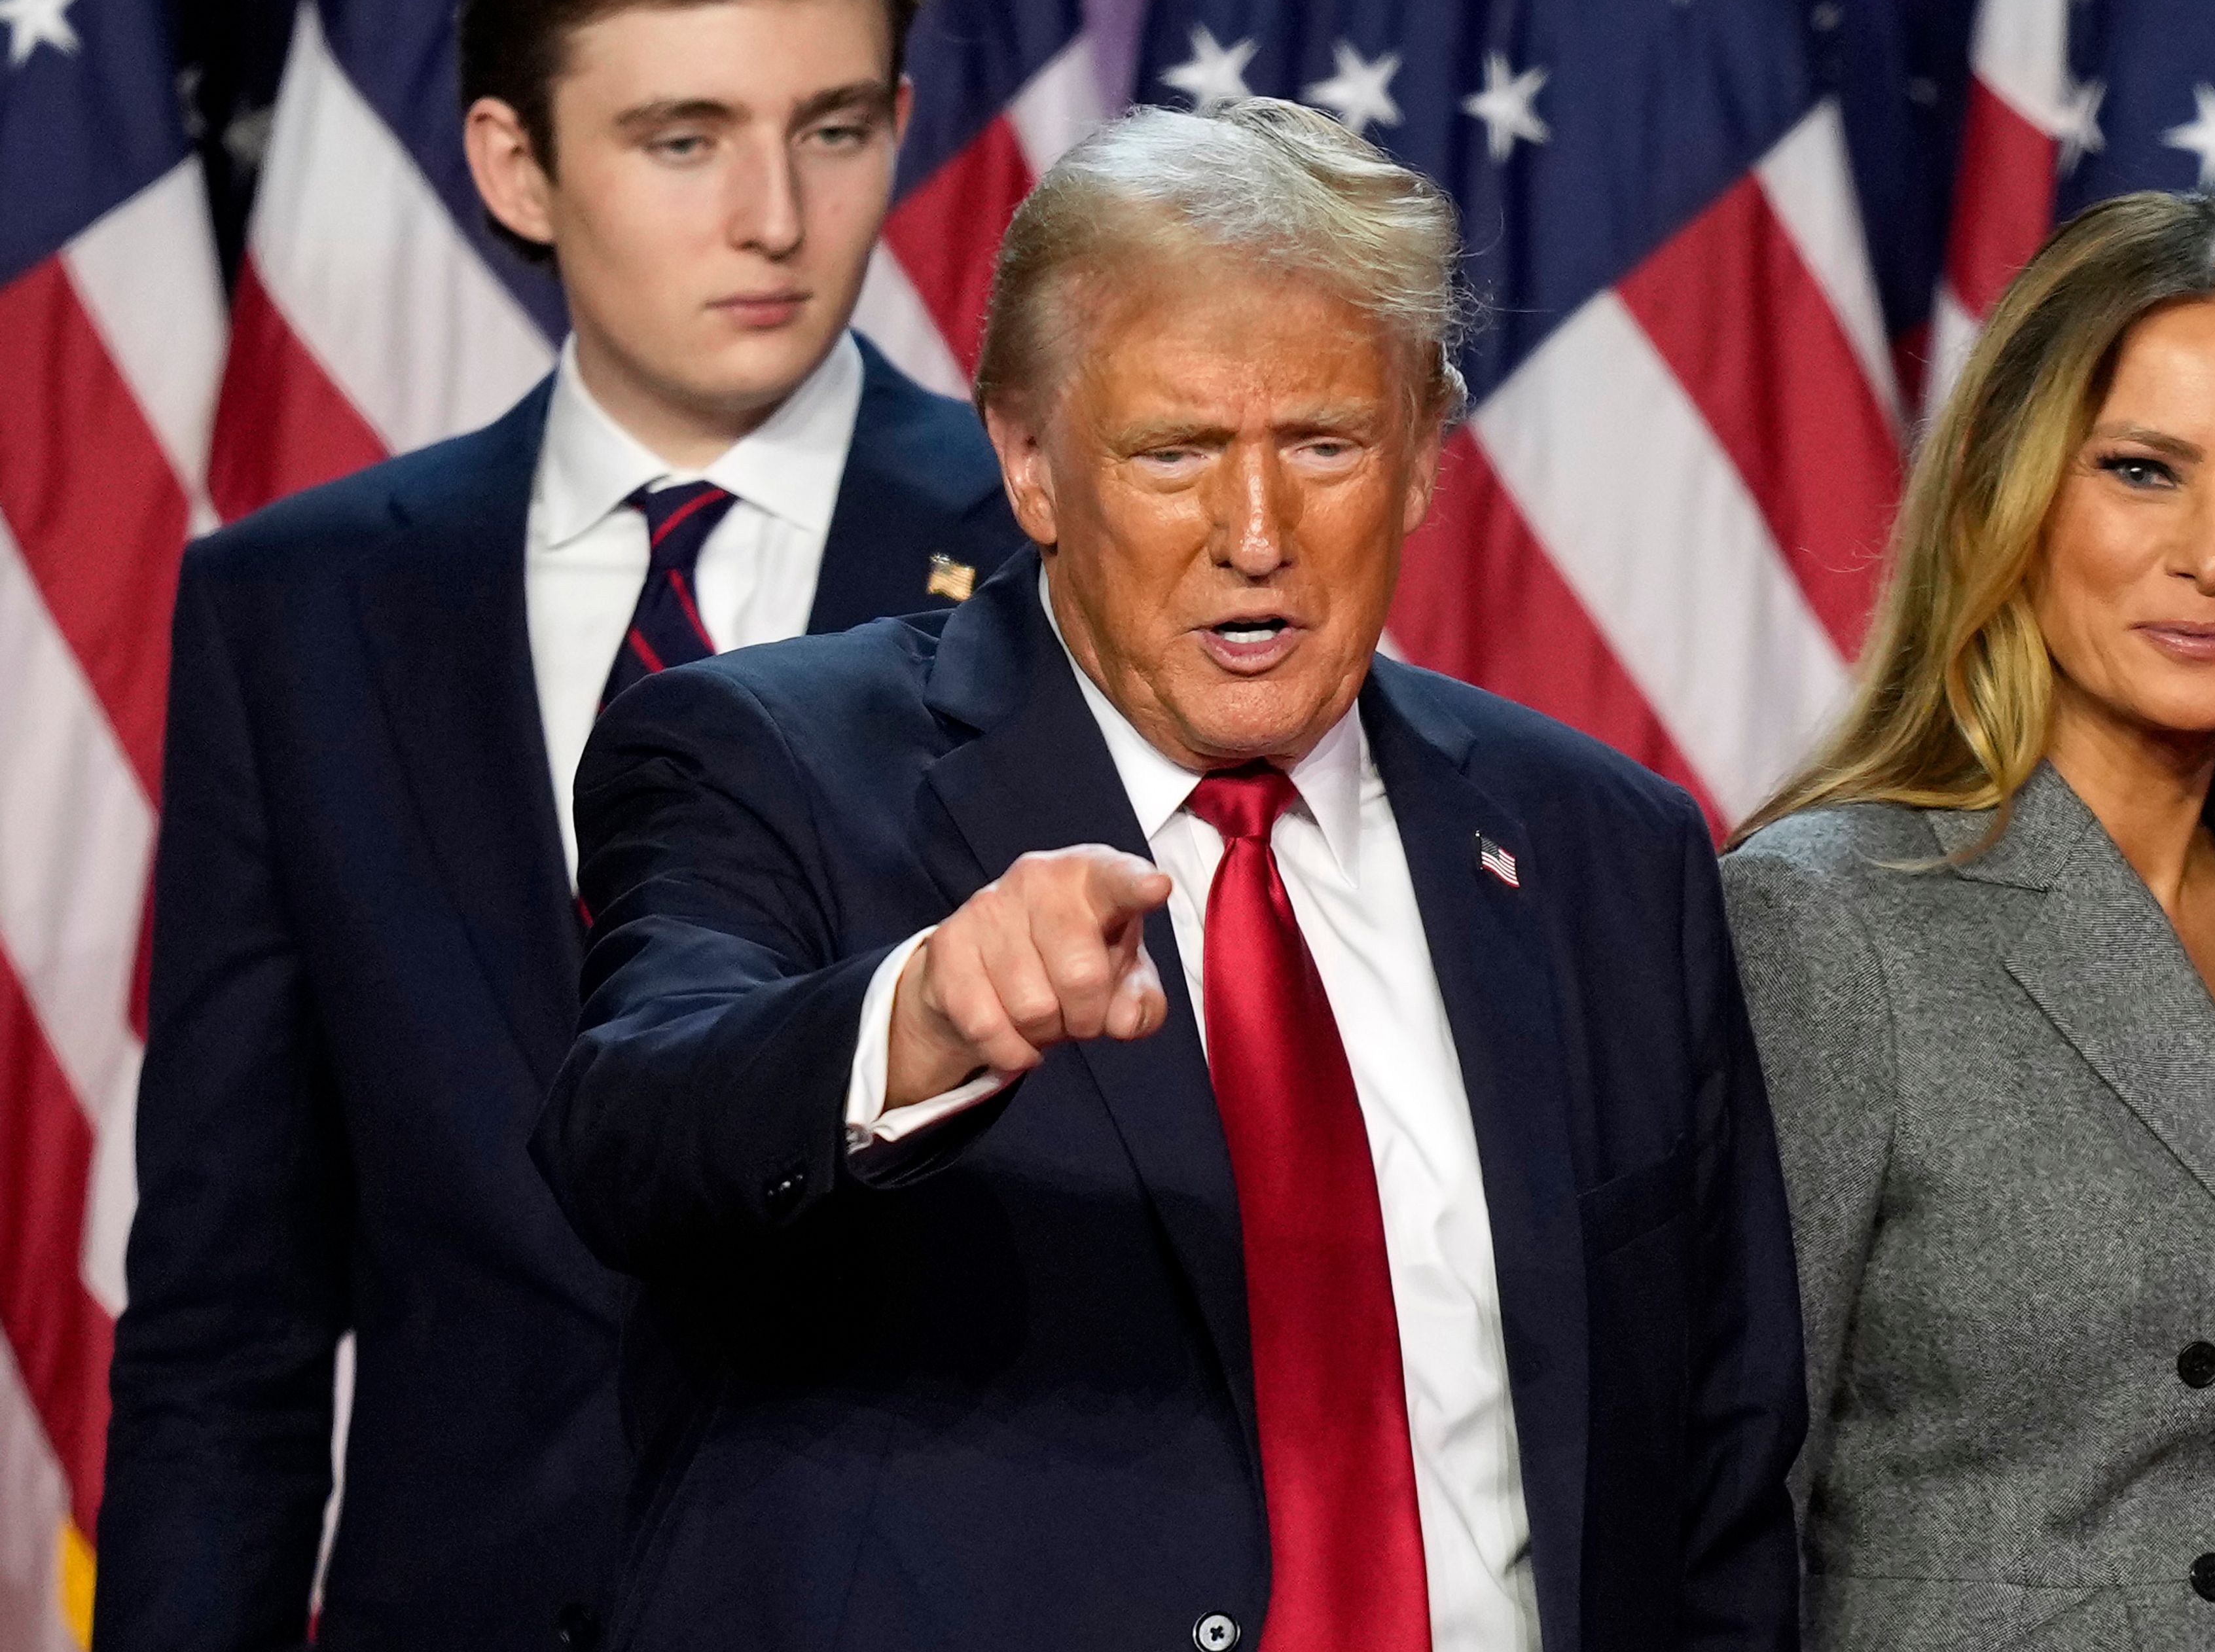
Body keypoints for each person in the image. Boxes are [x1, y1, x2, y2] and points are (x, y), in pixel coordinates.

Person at [531, 98, 1805, 1651]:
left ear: (1419, 456)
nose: (1254, 531)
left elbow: (1721, 1472)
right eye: (1175, 450)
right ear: (1030, 462)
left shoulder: (1610, 848)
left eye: (1325, 443)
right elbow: (630, 1128)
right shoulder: (770, 756)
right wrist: (919, 1015)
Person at [95, 0, 1022, 1646]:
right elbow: (228, 1316)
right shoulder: (297, 608)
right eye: (684, 140)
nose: (775, 218)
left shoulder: (1060, 571)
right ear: (515, 168)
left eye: (835, 129)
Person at [1721, 190, 2215, 1648]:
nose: (2214, 555)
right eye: (2145, 471)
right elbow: (1726, 1505)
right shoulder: (1830, 919)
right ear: (2006, 500)